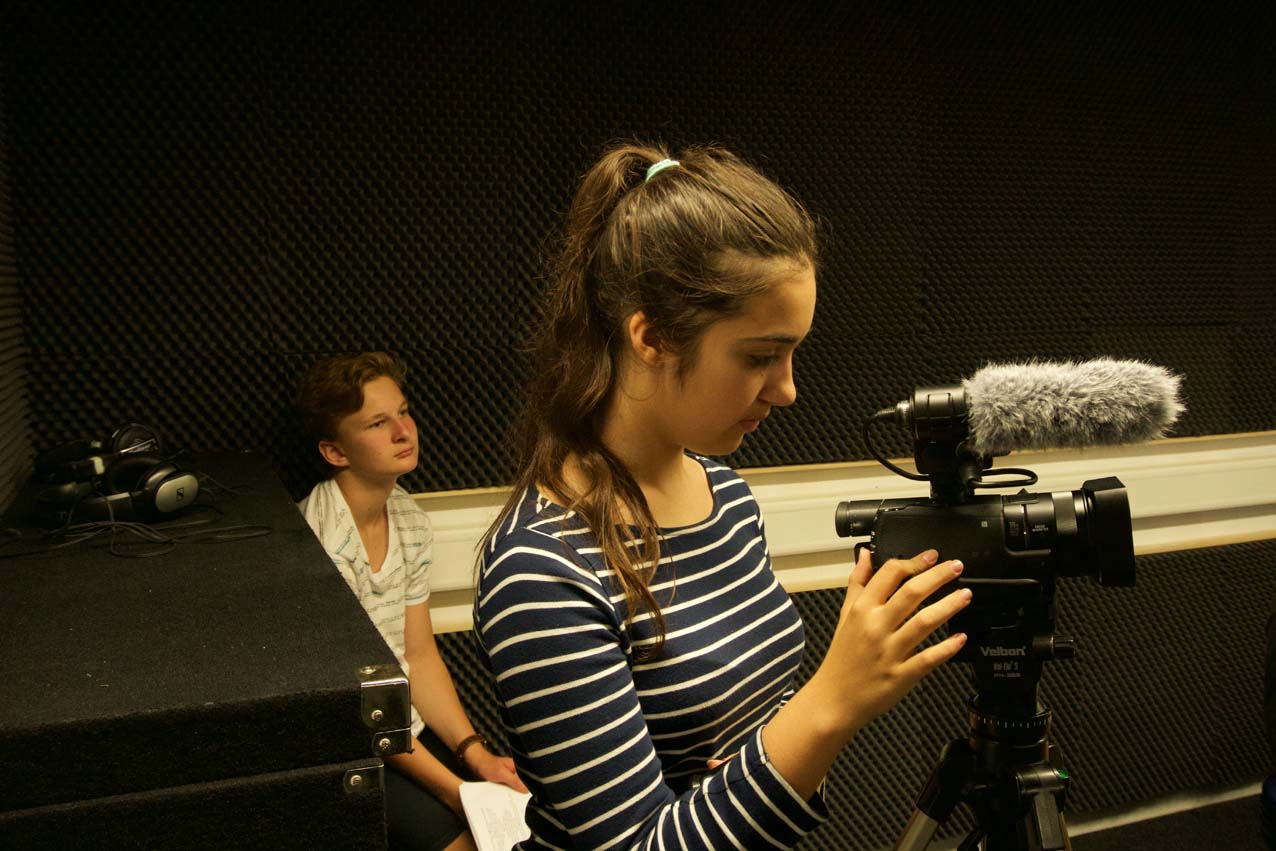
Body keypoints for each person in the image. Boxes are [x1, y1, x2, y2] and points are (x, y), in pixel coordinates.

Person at [473, 143, 972, 850]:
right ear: (652, 336)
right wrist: (831, 702)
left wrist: (772, 750)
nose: (787, 389)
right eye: (760, 356)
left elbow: (754, 750)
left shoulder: (727, 497)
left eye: (793, 353)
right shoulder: (542, 570)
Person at [295, 352, 527, 851]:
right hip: (347, 741)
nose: (404, 431)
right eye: (378, 423)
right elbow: (354, 702)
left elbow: (418, 655)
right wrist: (455, 792)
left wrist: (476, 755)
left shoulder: (409, 520)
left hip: (403, 731)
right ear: (335, 452)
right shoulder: (321, 547)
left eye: (403, 412)